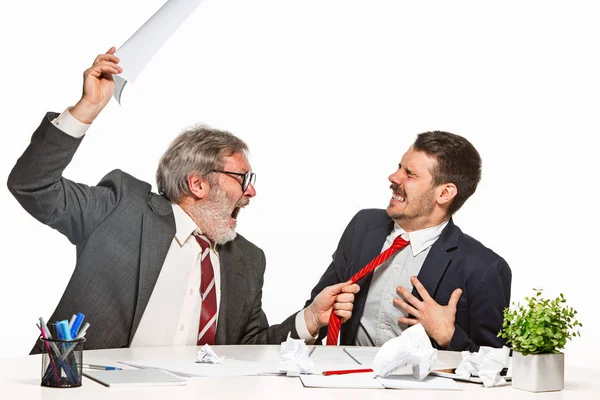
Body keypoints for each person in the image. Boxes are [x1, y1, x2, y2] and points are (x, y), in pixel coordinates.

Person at [7, 48, 358, 352]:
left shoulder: (248, 261)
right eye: (243, 179)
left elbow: (250, 351)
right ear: (198, 184)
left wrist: (311, 319)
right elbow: (32, 186)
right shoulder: (121, 208)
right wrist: (86, 108)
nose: (251, 192)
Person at [306, 130, 511, 352]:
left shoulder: (484, 268)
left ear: (444, 193)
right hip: (346, 377)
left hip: (423, 386)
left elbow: (497, 365)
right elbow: (319, 308)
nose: (394, 177)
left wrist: (449, 336)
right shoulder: (363, 227)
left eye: (410, 174)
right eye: (399, 167)